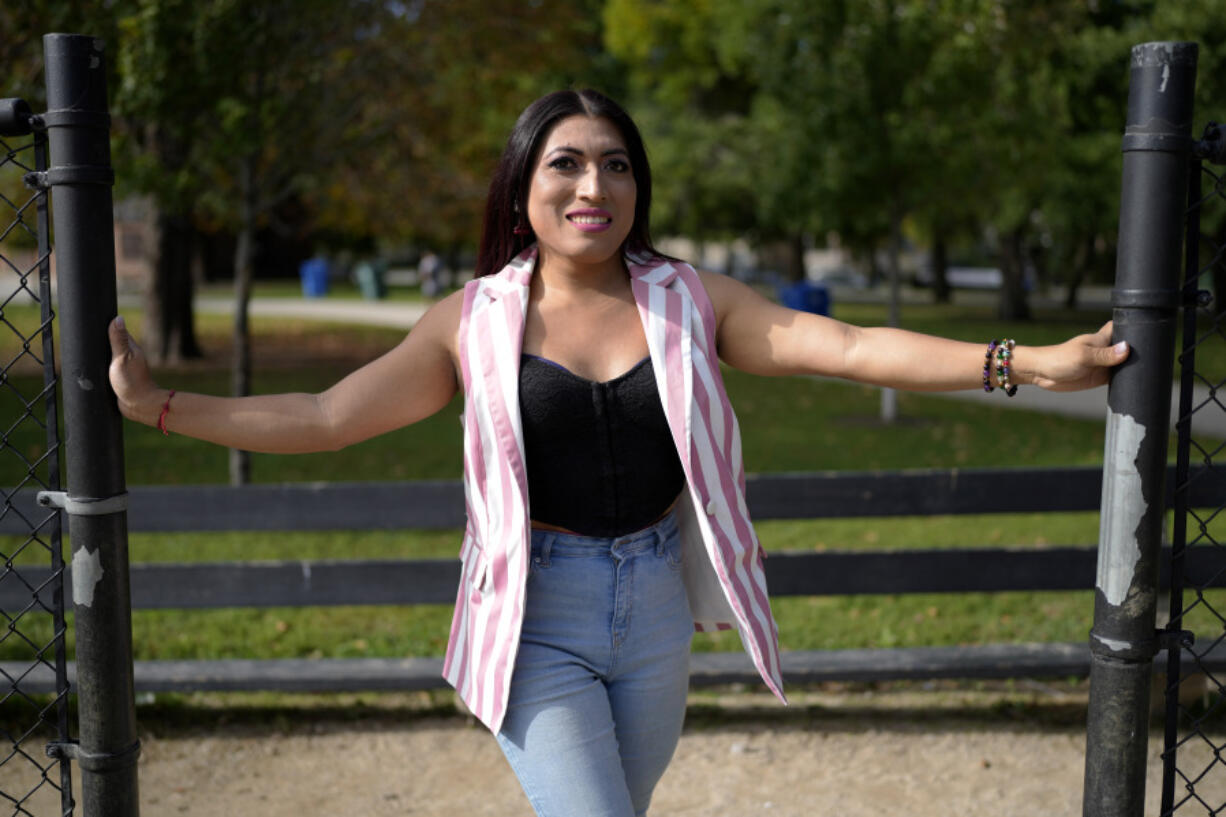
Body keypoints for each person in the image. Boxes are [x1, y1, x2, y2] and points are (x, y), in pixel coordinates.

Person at [108, 88, 1129, 817]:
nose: (593, 181)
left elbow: (853, 346)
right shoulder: (471, 320)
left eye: (615, 162)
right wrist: (161, 406)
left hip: (651, 613)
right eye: (566, 161)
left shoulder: (692, 300)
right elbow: (327, 415)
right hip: (532, 620)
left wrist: (1022, 362)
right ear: (522, 188)